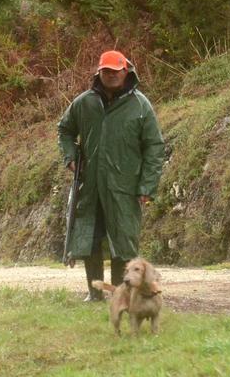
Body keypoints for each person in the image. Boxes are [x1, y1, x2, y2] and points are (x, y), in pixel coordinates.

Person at [58, 49, 166, 301]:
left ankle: (122, 294)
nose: (111, 75)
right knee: (89, 239)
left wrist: (146, 186)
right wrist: (70, 156)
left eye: (116, 71)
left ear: (126, 71)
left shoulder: (141, 105)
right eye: (106, 71)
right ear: (99, 72)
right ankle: (94, 294)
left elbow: (155, 147)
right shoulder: (83, 103)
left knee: (123, 241)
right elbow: (64, 130)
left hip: (125, 187)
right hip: (91, 185)